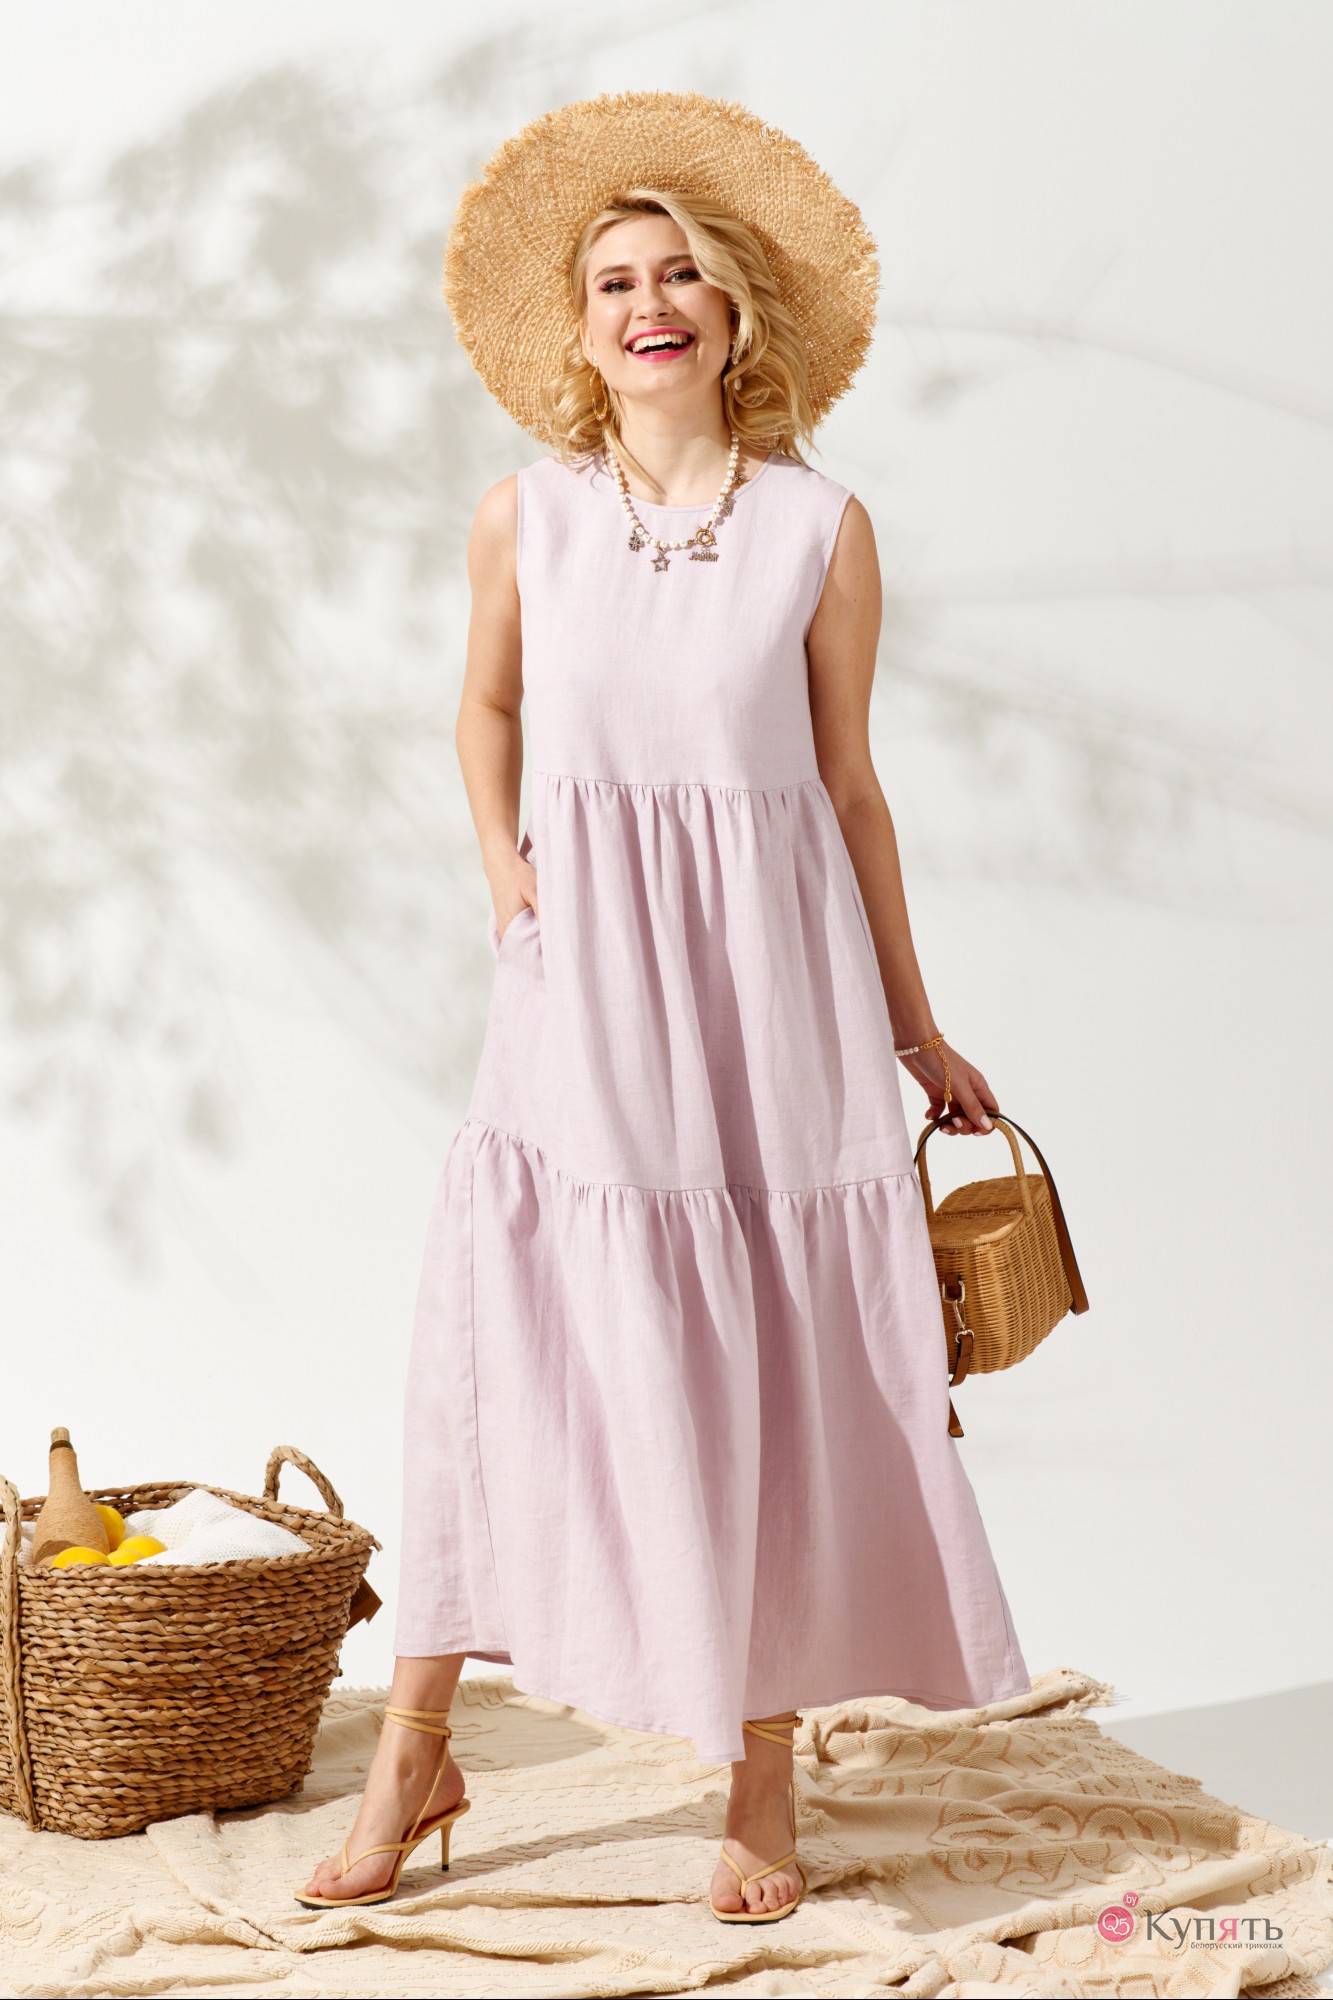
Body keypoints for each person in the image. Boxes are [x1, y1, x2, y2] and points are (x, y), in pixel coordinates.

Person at [298, 89, 1031, 1923]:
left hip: (775, 983)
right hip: (586, 975)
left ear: (732, 311)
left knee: (765, 1337)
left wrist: (915, 1029)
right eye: (617, 280)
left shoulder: (820, 529)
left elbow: (848, 789)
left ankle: (757, 1769)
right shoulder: (525, 520)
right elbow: (483, 707)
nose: (651, 302)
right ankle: (414, 1747)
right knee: (511, 1323)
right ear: (578, 330)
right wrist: (505, 873)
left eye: (681, 273)